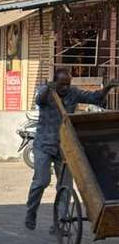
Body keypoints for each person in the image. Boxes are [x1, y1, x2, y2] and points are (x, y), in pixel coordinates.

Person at [25, 68, 118, 230]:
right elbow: (40, 100)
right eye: (62, 84)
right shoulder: (46, 93)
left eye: (68, 84)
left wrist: (108, 87)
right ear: (55, 82)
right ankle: (31, 212)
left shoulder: (73, 93)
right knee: (41, 181)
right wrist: (49, 88)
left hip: (65, 146)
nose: (66, 88)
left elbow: (95, 98)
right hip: (44, 145)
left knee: (65, 187)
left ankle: (60, 223)